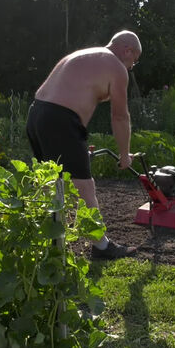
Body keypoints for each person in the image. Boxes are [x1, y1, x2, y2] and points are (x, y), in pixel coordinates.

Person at [26, 30, 141, 260]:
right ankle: (101, 246)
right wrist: (125, 154)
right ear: (127, 50)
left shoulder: (86, 55)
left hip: (36, 113)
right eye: (133, 61)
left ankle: (50, 243)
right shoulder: (116, 67)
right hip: (61, 119)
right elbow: (120, 117)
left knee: (52, 182)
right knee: (84, 186)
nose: (130, 67)